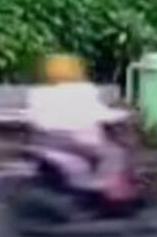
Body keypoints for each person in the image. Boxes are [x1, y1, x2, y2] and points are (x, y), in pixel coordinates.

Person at [26, 53, 131, 200]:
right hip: (78, 143)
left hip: (47, 144)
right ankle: (105, 188)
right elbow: (99, 114)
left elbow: (33, 119)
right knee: (114, 153)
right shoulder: (84, 90)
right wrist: (124, 116)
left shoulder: (38, 93)